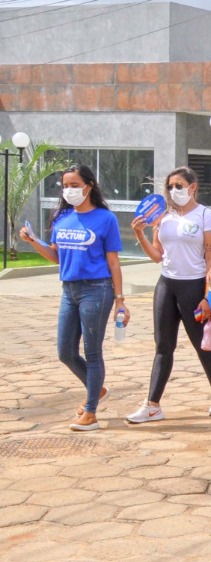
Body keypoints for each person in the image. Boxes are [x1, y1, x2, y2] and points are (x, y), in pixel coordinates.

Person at [20, 165, 129, 431]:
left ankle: (90, 412)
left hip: (97, 289)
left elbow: (113, 262)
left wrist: (120, 300)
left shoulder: (105, 219)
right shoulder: (62, 218)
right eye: (65, 186)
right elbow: (57, 256)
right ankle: (97, 390)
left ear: (89, 186)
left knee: (92, 352)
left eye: (74, 185)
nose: (69, 190)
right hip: (69, 290)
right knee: (65, 352)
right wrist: (34, 241)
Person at [127, 166, 211, 423]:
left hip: (193, 286)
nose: (174, 191)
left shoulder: (206, 216)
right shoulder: (163, 217)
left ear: (193, 187)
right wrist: (140, 233)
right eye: (171, 186)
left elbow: (210, 257)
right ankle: (152, 405)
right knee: (163, 346)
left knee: (201, 344)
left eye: (179, 185)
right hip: (167, 285)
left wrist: (207, 296)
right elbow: (157, 256)